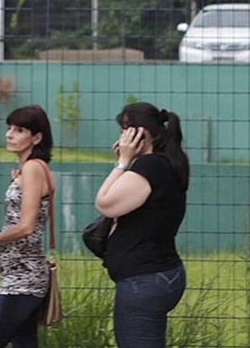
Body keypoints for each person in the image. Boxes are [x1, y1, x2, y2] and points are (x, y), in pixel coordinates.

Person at [95, 101, 189, 348]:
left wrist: (122, 163)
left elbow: (105, 203)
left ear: (141, 133)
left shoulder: (150, 166)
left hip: (143, 280)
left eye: (125, 130)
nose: (121, 137)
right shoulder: (166, 164)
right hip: (159, 273)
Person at [0, 105, 55, 348]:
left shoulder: (33, 168)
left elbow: (26, 226)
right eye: (9, 128)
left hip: (23, 278)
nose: (10, 134)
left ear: (37, 137)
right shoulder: (29, 169)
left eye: (19, 130)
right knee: (24, 342)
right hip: (17, 274)